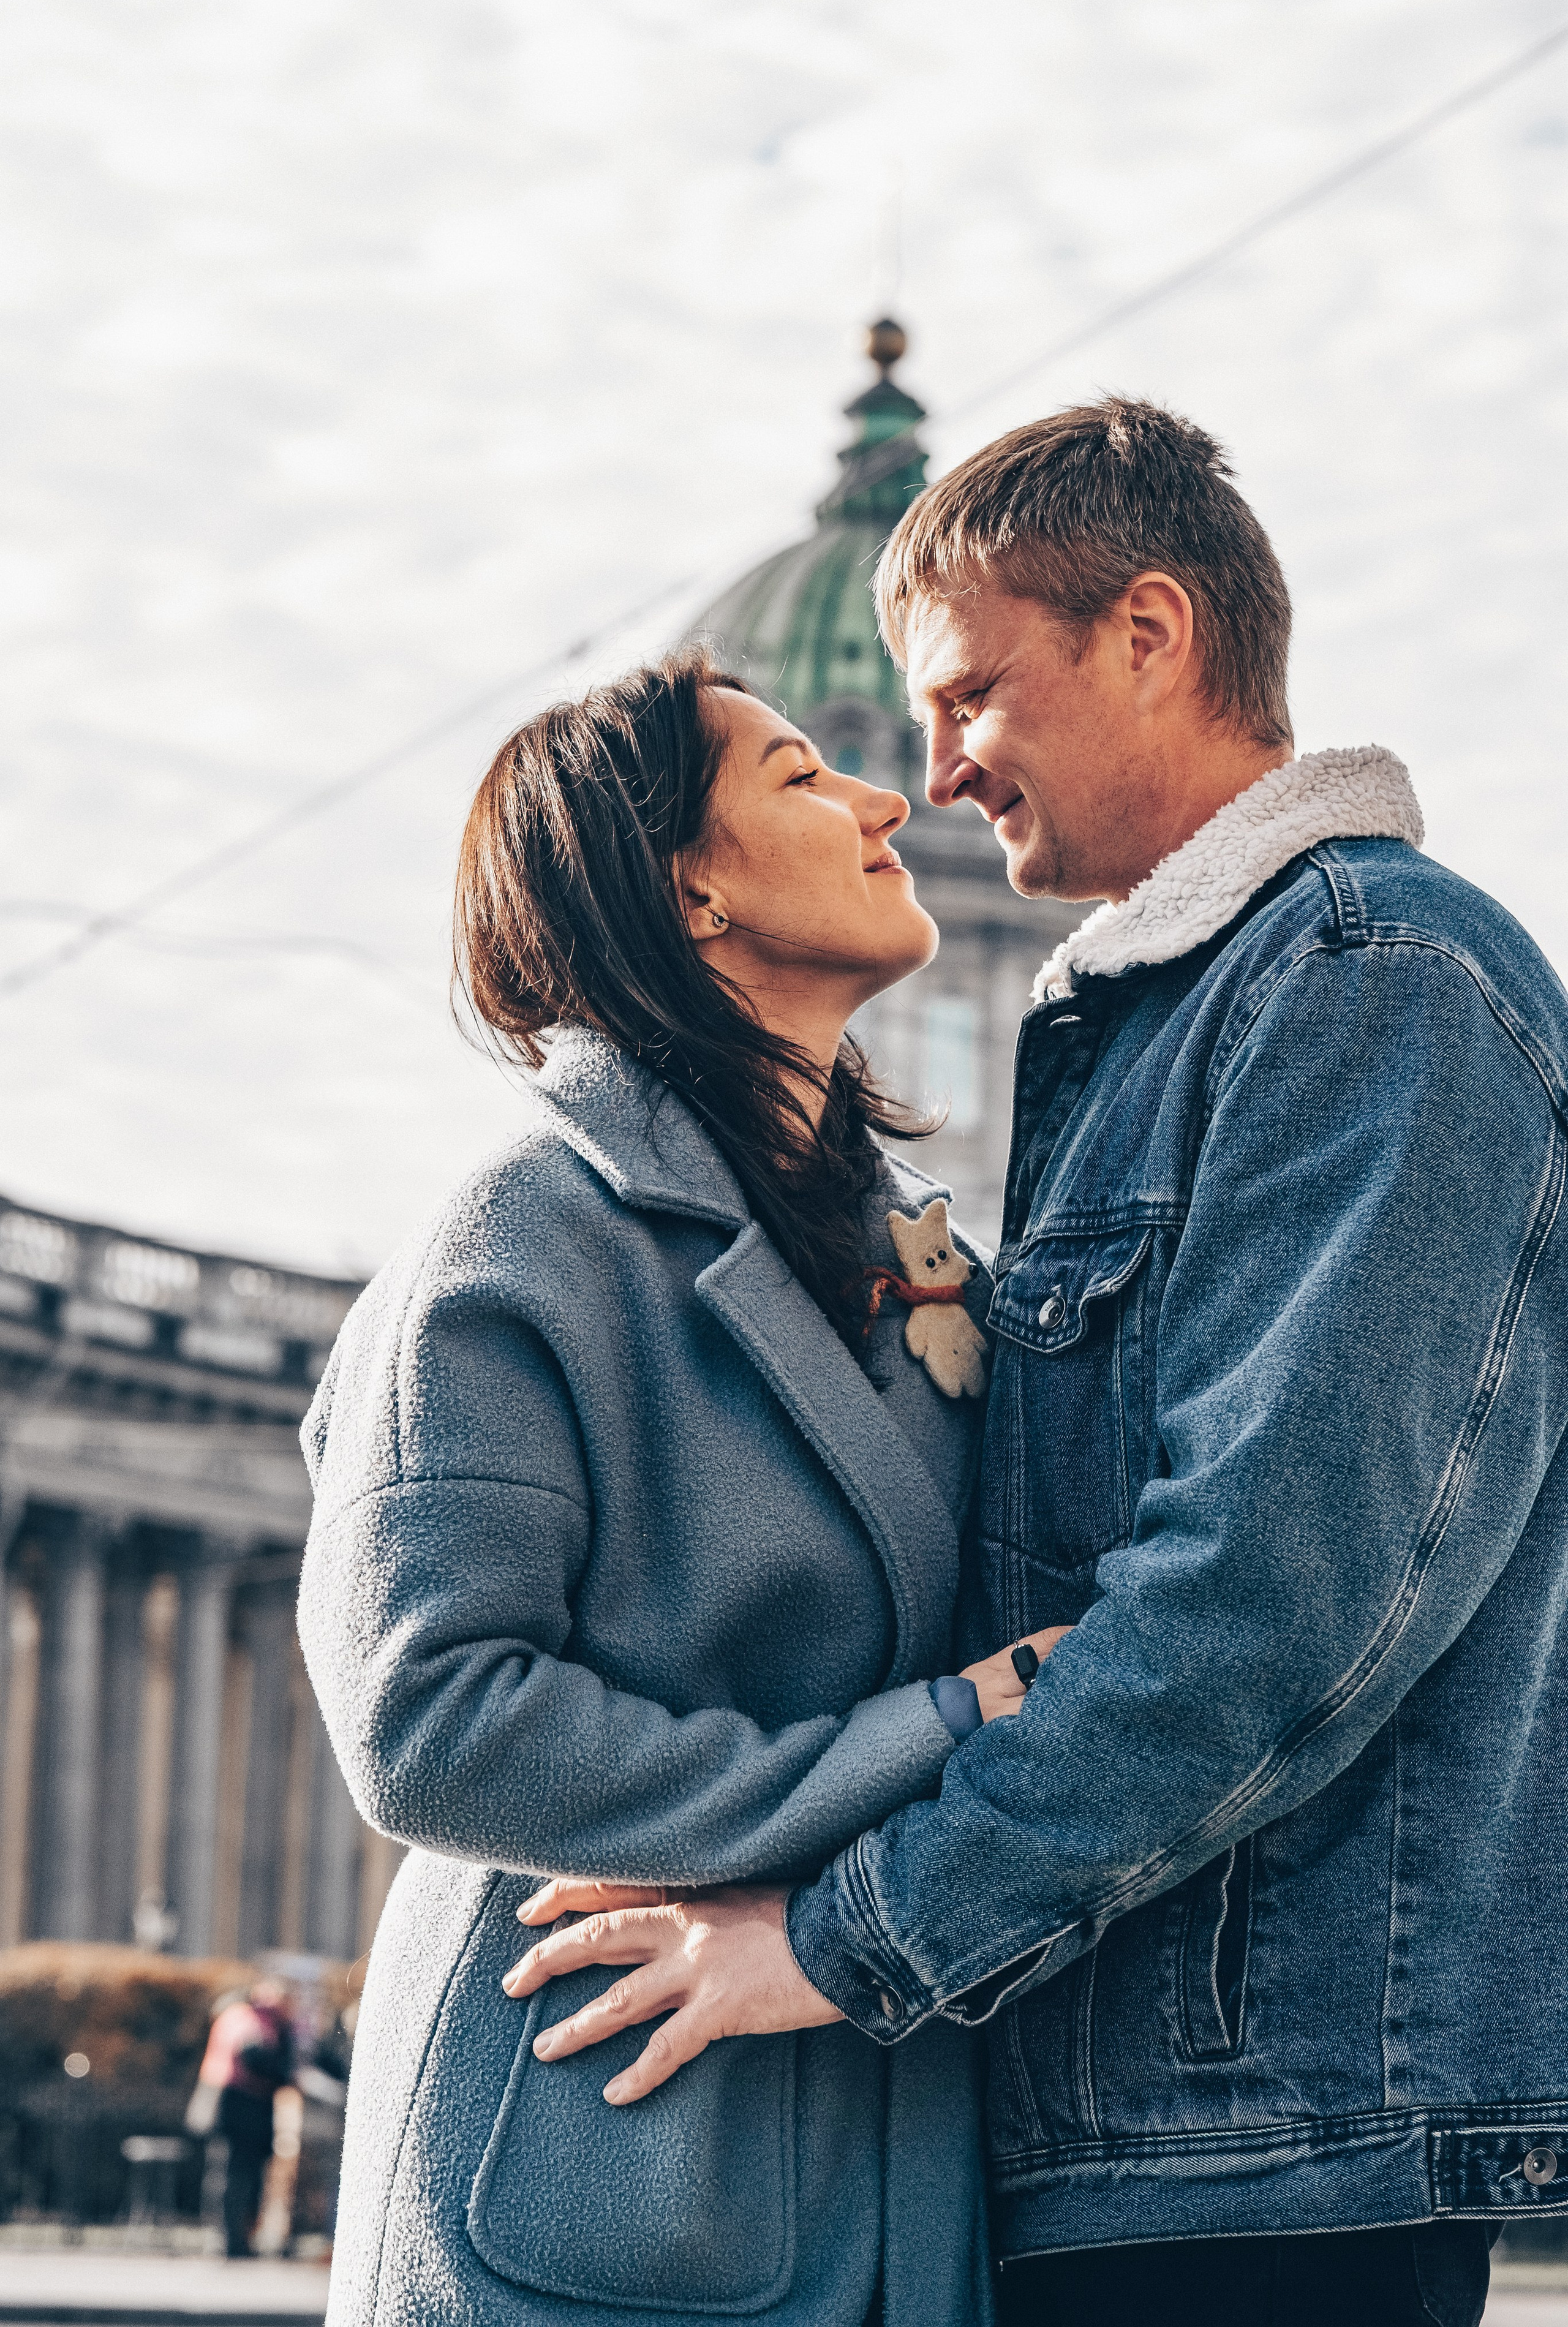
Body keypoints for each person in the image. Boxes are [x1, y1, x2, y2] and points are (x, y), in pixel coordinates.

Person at [508, 402, 1568, 2327]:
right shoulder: (1172, 1021)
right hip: (1119, 2107)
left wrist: (842, 1935)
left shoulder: (1365, 983)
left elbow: (1268, 1603)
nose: (928, 774)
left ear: (1148, 634)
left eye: (971, 694)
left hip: (1252, 2146)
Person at [298, 651, 1062, 2327]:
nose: (890, 800)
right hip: (598, 2136)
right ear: (688, 886)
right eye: (805, 778)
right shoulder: (520, 1237)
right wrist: (925, 1736)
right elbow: (429, 1720)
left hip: (877, 2150)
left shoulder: (919, 1257)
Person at [187, 1975, 296, 2259]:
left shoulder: (238, 2015)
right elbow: (252, 2055)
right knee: (234, 2175)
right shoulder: (250, 2020)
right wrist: (285, 2072)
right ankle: (230, 2238)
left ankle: (236, 2237)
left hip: (238, 2104)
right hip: (238, 2104)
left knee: (237, 2174)